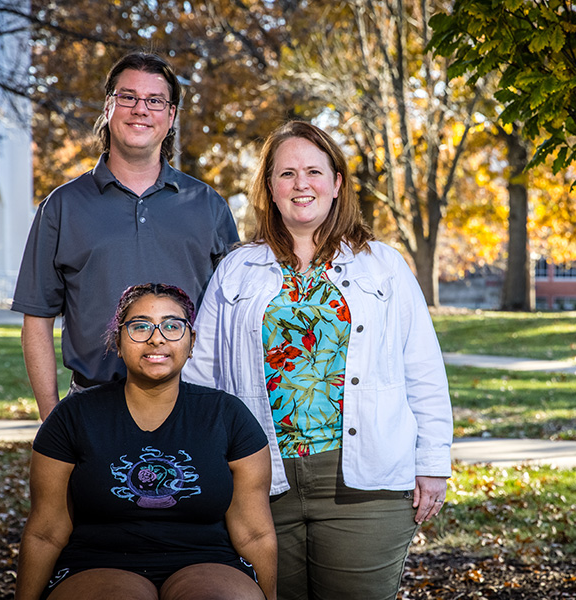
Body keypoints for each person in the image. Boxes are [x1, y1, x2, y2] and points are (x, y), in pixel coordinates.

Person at [182, 121, 453, 600]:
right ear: (269, 187)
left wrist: (432, 463)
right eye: (286, 173)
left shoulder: (382, 265)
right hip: (258, 479)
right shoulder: (236, 268)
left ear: (337, 183)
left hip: (365, 485)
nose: (300, 184)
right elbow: (202, 375)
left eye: (313, 171)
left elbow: (423, 368)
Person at [12, 52, 239, 420]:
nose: (140, 109)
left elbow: (234, 319)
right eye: (128, 97)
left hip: (192, 409)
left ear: (171, 116)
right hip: (92, 406)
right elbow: (37, 319)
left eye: (155, 100)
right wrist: (52, 419)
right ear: (109, 106)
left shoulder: (209, 205)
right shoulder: (61, 207)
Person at [15, 283, 277, 600]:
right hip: (97, 564)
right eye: (140, 327)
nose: (157, 337)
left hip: (208, 562)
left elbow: (254, 533)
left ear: (191, 341)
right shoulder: (73, 417)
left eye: (172, 326)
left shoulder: (228, 416)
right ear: (118, 342)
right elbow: (45, 533)